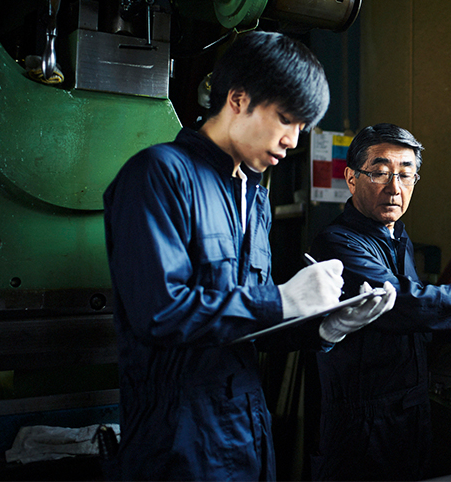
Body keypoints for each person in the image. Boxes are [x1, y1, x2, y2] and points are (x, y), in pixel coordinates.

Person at [103, 31, 395, 481]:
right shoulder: (159, 175)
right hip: (177, 442)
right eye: (286, 119)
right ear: (238, 99)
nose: (293, 140)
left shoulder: (253, 196)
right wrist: (281, 301)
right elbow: (158, 313)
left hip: (248, 433)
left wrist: (324, 326)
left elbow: (247, 328)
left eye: (302, 127)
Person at [308, 123, 451, 481]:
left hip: (410, 415)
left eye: (406, 174)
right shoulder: (338, 244)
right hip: (363, 425)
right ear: (351, 178)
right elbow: (401, 305)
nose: (395, 188)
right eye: (380, 173)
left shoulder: (397, 239)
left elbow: (417, 325)